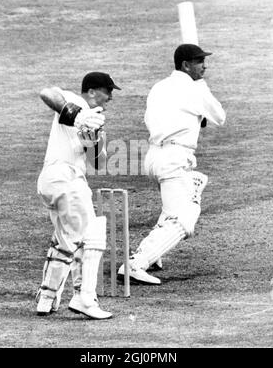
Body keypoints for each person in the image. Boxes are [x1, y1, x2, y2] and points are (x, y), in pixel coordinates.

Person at [118, 44, 226, 285]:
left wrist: (196, 118)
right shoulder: (195, 89)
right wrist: (202, 88)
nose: (204, 66)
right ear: (185, 65)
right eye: (199, 62)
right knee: (184, 218)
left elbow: (157, 116)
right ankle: (137, 263)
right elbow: (219, 116)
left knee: (173, 206)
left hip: (154, 157)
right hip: (175, 158)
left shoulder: (160, 86)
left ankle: (154, 253)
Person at [36, 71, 121, 319]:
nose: (110, 98)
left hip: (55, 182)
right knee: (92, 234)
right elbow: (46, 93)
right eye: (108, 91)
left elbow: (99, 163)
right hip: (65, 178)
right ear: (92, 91)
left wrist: (93, 139)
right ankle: (85, 298)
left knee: (66, 240)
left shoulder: (96, 122)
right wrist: (77, 115)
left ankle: (47, 298)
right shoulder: (75, 101)